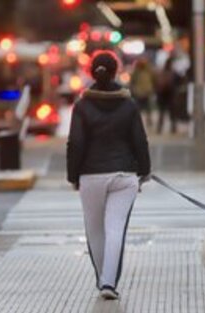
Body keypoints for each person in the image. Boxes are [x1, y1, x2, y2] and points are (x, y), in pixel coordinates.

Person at [67, 51, 151, 300]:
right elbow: (140, 140)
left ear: (91, 72)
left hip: (90, 175)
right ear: (116, 72)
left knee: (94, 229)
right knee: (115, 229)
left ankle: (103, 278)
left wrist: (73, 176)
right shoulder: (128, 104)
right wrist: (144, 171)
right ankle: (109, 282)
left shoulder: (82, 106)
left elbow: (76, 144)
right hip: (124, 175)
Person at [130, 57, 156, 127]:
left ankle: (148, 121)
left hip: (145, 92)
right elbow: (132, 82)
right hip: (141, 92)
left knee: (146, 109)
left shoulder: (147, 71)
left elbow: (153, 80)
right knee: (141, 109)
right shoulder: (138, 72)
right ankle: (139, 121)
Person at [156, 57, 179, 134]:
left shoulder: (161, 72)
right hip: (170, 95)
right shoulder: (173, 73)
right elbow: (179, 81)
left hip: (162, 95)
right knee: (172, 113)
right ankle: (173, 128)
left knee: (162, 113)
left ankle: (159, 128)